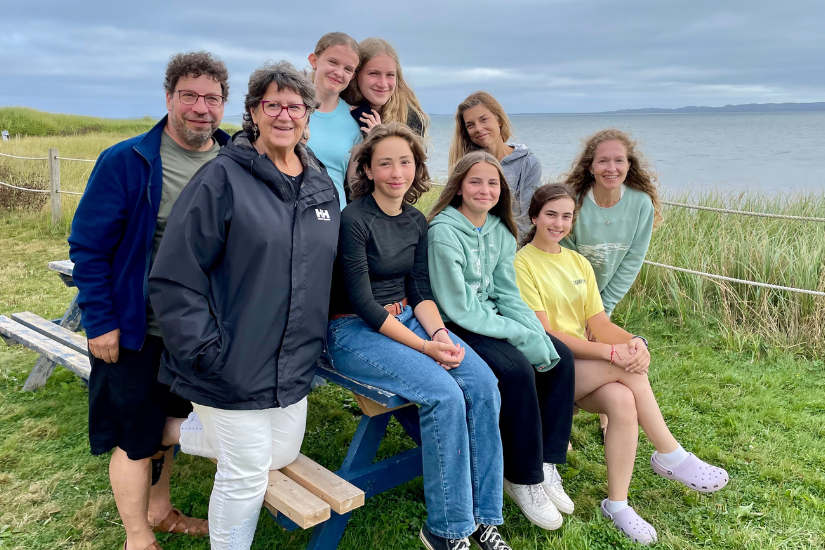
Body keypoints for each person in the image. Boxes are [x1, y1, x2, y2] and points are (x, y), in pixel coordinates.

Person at [148, 61, 340, 550]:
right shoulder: (222, 178)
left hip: (292, 359)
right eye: (271, 104)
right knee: (247, 472)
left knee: (280, 451)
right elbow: (175, 276)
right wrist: (207, 352)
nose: (283, 115)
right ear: (254, 112)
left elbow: (324, 270)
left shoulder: (321, 187)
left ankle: (171, 429)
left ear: (307, 117)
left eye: (294, 106)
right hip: (228, 359)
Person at [68, 51, 229, 550]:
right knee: (135, 437)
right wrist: (100, 322)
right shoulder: (128, 161)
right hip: (138, 329)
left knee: (165, 428)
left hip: (201, 333)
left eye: (212, 98)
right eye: (189, 96)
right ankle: (137, 537)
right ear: (168, 98)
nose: (200, 107)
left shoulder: (236, 159)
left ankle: (159, 511)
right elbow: (89, 247)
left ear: (224, 105)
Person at [327, 123, 510, 550]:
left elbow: (420, 291)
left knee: (482, 384)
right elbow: (365, 304)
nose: (396, 171)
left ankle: (483, 519)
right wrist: (427, 349)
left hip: (409, 320)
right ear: (367, 170)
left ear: (416, 168)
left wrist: (440, 335)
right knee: (444, 395)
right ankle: (446, 531)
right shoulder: (352, 219)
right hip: (352, 329)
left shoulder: (414, 220)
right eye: (385, 163)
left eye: (405, 162)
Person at [513, 184, 729, 546]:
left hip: (584, 368)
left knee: (622, 401)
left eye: (567, 216)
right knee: (623, 370)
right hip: (548, 367)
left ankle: (618, 504)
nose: (559, 223)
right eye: (551, 214)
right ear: (534, 217)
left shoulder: (577, 261)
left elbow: (599, 324)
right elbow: (546, 334)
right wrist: (614, 355)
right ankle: (670, 453)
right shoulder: (522, 263)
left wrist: (633, 341)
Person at [426, 151, 576, 531]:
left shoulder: (500, 230)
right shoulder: (443, 231)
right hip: (457, 324)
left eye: (493, 183)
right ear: (459, 185)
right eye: (475, 181)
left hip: (493, 317)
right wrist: (518, 334)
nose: (485, 189)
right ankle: (522, 478)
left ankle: (545, 461)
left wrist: (534, 332)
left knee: (561, 356)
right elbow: (458, 307)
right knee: (515, 369)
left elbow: (510, 295)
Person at [560, 129, 662, 315]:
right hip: (564, 295)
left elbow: (632, 261)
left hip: (602, 304)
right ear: (590, 167)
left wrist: (603, 309)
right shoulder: (570, 203)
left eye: (619, 160)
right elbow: (566, 261)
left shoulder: (641, 204)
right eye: (603, 161)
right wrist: (587, 308)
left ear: (629, 164)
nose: (611, 168)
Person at [449, 92, 543, 237]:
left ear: (499, 119)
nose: (479, 128)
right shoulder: (466, 165)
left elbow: (526, 219)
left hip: (511, 246)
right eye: (470, 125)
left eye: (484, 119)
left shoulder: (528, 163)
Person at [306, 31, 362, 209]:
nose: (339, 73)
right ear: (314, 61)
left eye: (348, 69)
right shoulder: (289, 109)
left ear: (353, 76)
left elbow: (357, 185)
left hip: (333, 221)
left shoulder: (355, 120)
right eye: (332, 62)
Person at [342, 37, 430, 138]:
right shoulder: (337, 107)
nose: (383, 84)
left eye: (390, 75)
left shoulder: (409, 117)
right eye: (374, 73)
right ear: (356, 74)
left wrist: (377, 137)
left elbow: (412, 154)